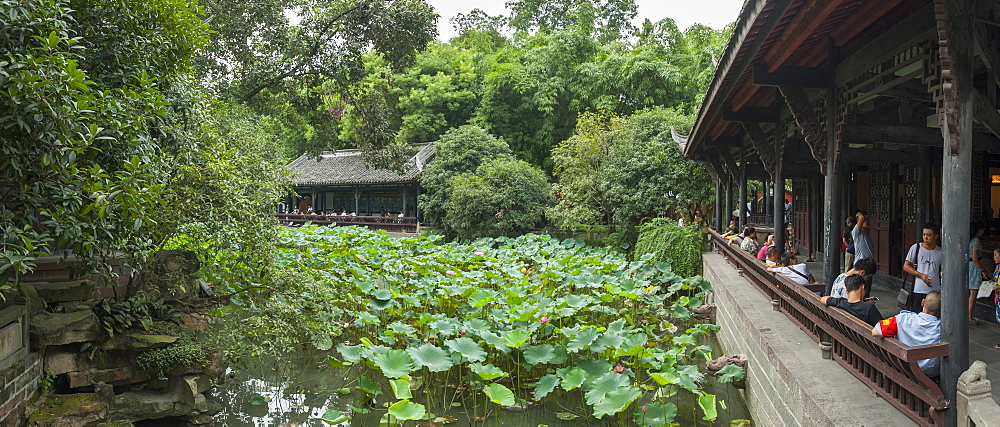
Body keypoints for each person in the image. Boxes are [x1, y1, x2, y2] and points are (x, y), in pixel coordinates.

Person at [872, 291, 942, 381]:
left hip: (905, 367)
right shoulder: (943, 328)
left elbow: (875, 331)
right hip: (931, 373)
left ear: (923, 302)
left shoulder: (903, 318)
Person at [902, 223, 943, 313]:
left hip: (935, 290)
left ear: (936, 236)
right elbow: (906, 266)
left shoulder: (940, 252)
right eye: (924, 234)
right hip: (918, 289)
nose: (925, 237)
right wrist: (920, 275)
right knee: (917, 314)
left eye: (929, 235)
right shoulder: (916, 248)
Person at [968, 221, 988, 324]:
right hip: (974, 267)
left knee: (971, 292)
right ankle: (969, 316)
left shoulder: (970, 239)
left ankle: (969, 315)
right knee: (973, 292)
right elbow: (975, 258)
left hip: (970, 266)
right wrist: (982, 270)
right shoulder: (976, 241)